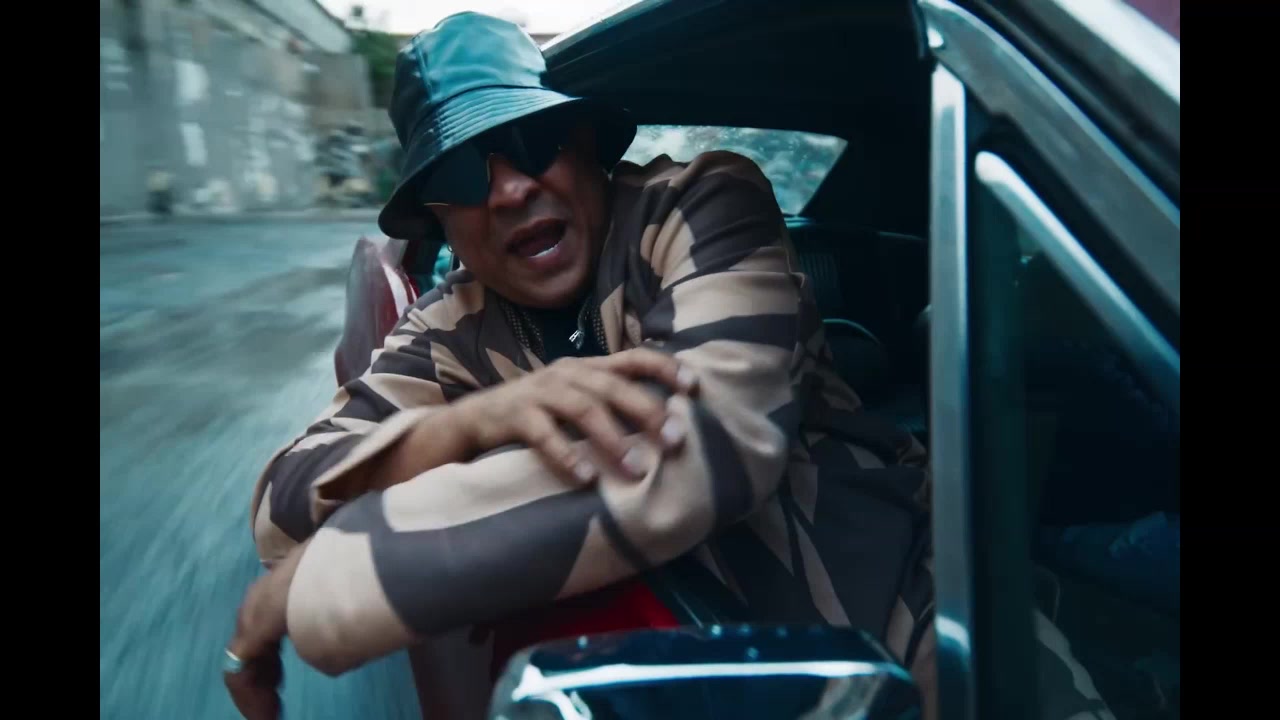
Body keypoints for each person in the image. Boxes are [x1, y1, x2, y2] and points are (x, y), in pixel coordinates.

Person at [221, 13, 1107, 720]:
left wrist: (319, 585)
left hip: (915, 628)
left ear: (583, 145)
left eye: (528, 143)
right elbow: (283, 502)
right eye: (460, 172)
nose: (512, 189)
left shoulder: (701, 204)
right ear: (438, 220)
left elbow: (703, 446)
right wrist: (465, 425)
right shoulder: (447, 327)